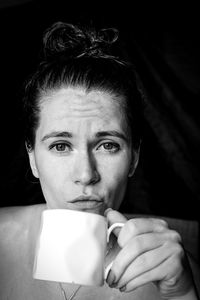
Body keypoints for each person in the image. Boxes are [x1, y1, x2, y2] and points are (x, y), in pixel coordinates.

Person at [0, 21, 199, 300]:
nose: (85, 174)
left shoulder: (175, 274)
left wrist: (183, 294)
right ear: (32, 157)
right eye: (60, 145)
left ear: (134, 158)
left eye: (108, 145)